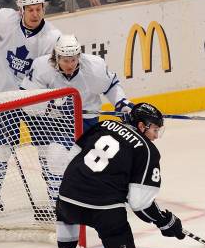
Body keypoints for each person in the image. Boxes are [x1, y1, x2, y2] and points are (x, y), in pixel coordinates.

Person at [52, 103, 186, 248]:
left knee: (65, 213)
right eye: (155, 129)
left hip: (68, 195)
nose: (156, 135)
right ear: (141, 126)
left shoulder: (103, 125)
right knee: (119, 237)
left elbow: (73, 156)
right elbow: (140, 204)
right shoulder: (148, 151)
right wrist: (166, 221)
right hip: (104, 208)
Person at [0, 0, 61, 214]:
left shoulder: (52, 38)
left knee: (47, 149)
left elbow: (55, 73)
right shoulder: (5, 20)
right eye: (30, 9)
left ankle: (55, 197)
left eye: (39, 9)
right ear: (20, 10)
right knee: (1, 147)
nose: (35, 14)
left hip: (35, 99)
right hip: (4, 96)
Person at [19, 34, 134, 206]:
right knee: (56, 158)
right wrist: (51, 105)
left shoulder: (94, 67)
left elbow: (111, 86)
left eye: (73, 60)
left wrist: (122, 104)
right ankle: (56, 204)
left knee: (100, 159)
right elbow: (27, 102)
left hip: (87, 120)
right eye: (65, 60)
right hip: (55, 123)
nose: (70, 65)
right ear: (56, 57)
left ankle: (102, 196)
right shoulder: (41, 67)